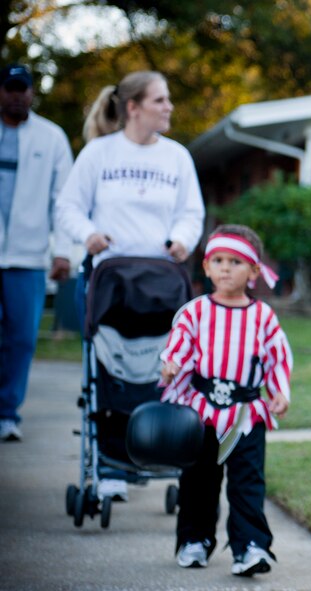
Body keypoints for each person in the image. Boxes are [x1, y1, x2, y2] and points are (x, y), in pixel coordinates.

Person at [54, 70, 205, 499]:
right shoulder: (99, 153)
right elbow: (68, 206)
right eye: (160, 100)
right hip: (110, 283)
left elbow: (191, 212)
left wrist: (183, 239)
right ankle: (111, 466)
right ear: (133, 107)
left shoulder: (177, 157)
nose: (169, 107)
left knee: (163, 370)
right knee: (109, 371)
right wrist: (88, 235)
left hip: (163, 284)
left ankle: (162, 452)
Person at [159, 224, 292, 578]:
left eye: (235, 262)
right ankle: (195, 539)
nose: (226, 269)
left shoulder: (263, 316)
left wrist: (279, 392)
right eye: (218, 261)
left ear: (253, 271)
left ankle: (250, 546)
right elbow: (180, 344)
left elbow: (277, 357)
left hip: (246, 414)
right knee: (198, 480)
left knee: (247, 482)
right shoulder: (195, 311)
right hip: (201, 412)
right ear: (206, 267)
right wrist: (171, 364)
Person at [0, 63, 74, 442]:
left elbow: (64, 200)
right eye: (10, 88)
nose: (17, 95)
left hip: (28, 259)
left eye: (23, 89)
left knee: (22, 339)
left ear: (32, 93)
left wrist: (64, 251)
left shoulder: (52, 137)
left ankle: (7, 413)